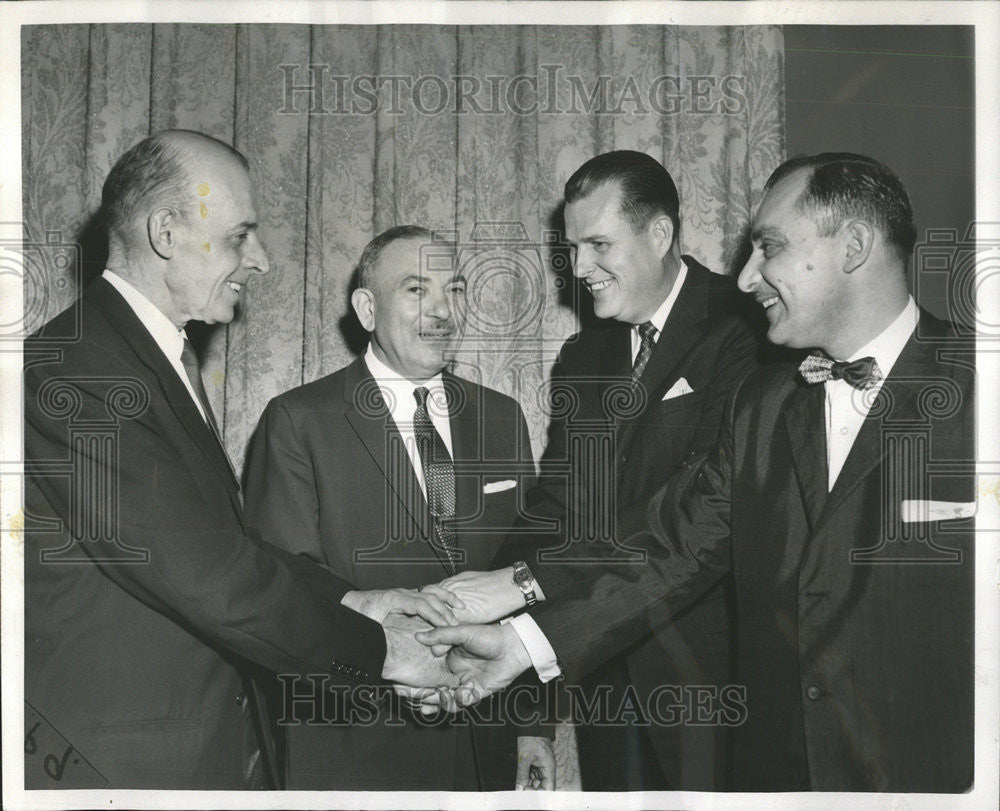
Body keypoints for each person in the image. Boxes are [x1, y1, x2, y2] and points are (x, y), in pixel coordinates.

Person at [417, 153, 975, 793]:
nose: (745, 277)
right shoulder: (766, 404)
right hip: (774, 772)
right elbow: (673, 542)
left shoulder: (981, 385)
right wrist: (520, 642)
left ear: (853, 246)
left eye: (769, 247)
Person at [23, 131, 460, 790]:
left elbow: (228, 544)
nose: (259, 259)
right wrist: (385, 651)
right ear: (166, 232)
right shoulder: (80, 368)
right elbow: (211, 576)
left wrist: (357, 598)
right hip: (118, 766)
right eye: (239, 236)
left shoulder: (154, 357)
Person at [437, 150, 763, 790]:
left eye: (597, 244)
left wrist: (523, 584)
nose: (578, 268)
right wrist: (525, 703)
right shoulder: (585, 354)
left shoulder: (748, 329)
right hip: (601, 678)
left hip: (717, 688)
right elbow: (555, 510)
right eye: (572, 247)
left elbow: (702, 514)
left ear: (660, 233)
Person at [243, 225, 555, 790]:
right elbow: (285, 589)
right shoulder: (298, 420)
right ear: (366, 308)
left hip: (485, 736)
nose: (442, 310)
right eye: (416, 289)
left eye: (455, 290)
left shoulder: (502, 418)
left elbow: (529, 573)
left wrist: (533, 727)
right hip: (357, 747)